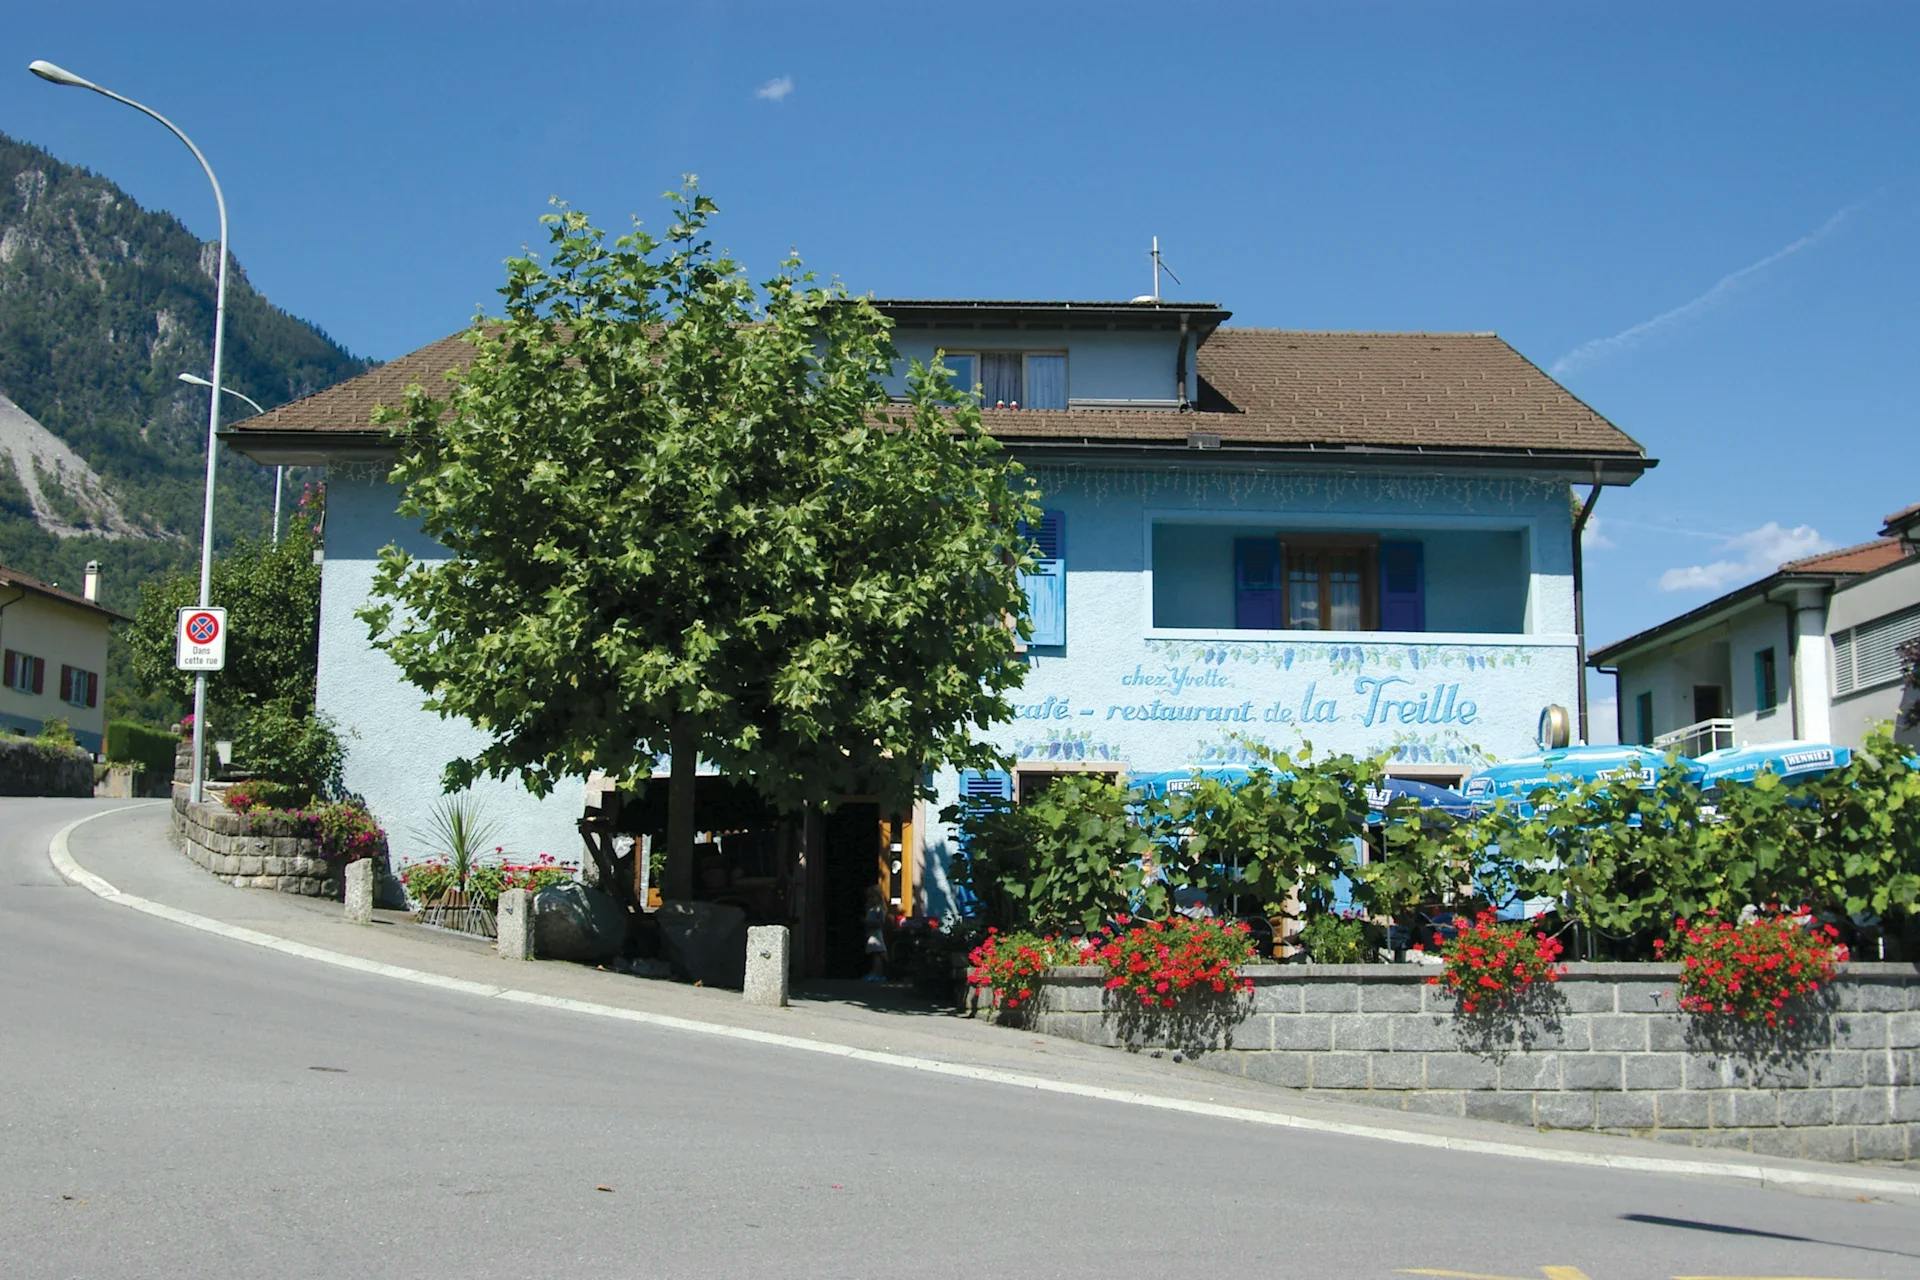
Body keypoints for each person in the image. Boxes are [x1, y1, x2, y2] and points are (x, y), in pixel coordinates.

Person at [863, 884, 888, 983]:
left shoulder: (878, 908)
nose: (871, 899)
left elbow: (881, 922)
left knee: (877, 954)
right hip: (872, 933)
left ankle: (878, 974)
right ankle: (875, 972)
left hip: (876, 934)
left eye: (873, 897)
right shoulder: (872, 908)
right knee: (875, 954)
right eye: (869, 897)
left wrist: (869, 922)